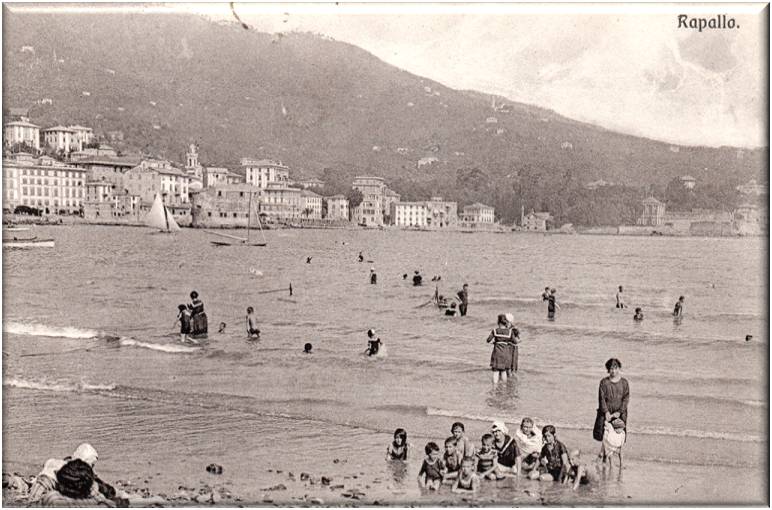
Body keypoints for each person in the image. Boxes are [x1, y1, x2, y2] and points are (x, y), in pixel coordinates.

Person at [592, 358, 629, 458]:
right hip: (606, 412)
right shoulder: (604, 382)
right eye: (611, 368)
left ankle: (619, 455)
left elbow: (626, 399)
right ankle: (604, 454)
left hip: (620, 412)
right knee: (605, 432)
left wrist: (619, 412)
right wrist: (606, 412)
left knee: (619, 433)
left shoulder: (624, 383)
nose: (613, 371)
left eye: (615, 368)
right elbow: (601, 398)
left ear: (619, 369)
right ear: (608, 370)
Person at [486, 314, 514, 385]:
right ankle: (504, 386)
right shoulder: (510, 332)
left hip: (497, 353)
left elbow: (488, 340)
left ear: (498, 322)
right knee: (503, 370)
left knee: (496, 371)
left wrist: (495, 342)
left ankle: (495, 387)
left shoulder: (495, 331)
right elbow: (514, 341)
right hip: (505, 353)